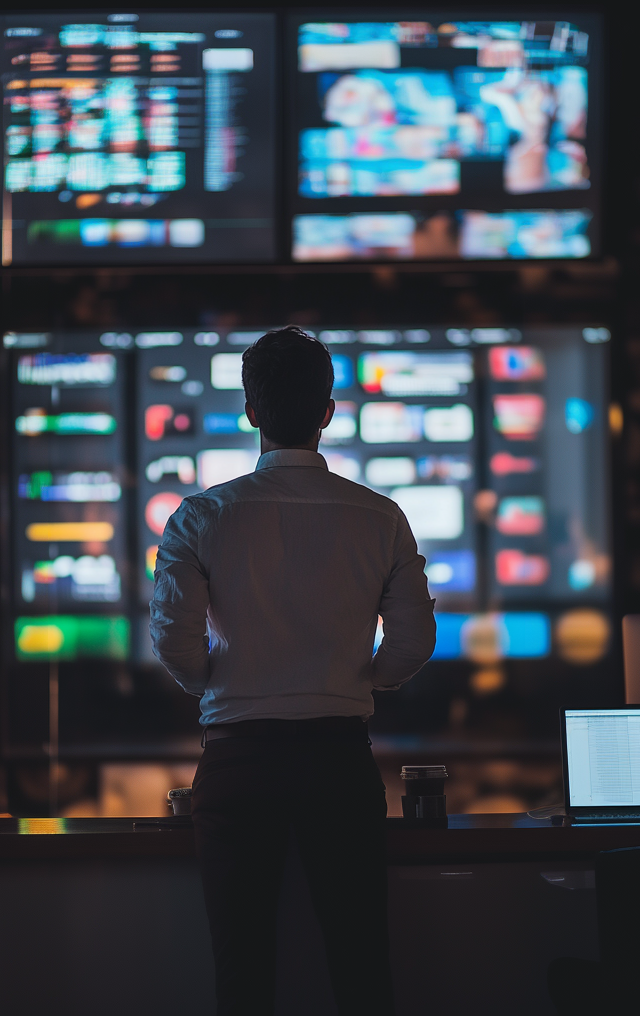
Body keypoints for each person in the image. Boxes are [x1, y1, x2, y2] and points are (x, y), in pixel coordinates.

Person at [150, 326, 437, 1016]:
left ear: (250, 411)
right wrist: (360, 677)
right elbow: (413, 642)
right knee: (361, 965)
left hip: (238, 763)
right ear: (328, 411)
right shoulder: (381, 517)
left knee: (242, 973)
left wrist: (216, 679)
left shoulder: (199, 517)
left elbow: (174, 641)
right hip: (340, 761)